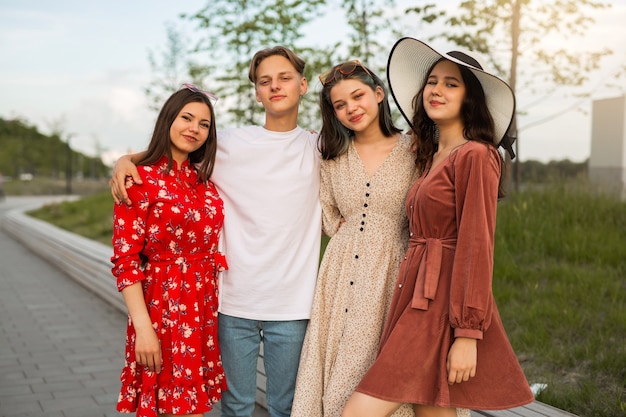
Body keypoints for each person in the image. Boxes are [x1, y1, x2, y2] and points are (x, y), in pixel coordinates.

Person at [110, 46, 321, 417]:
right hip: (227, 302)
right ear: (255, 91)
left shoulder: (321, 147)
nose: (275, 87)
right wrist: (125, 161)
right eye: (265, 81)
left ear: (302, 85)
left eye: (284, 78)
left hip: (287, 303)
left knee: (285, 407)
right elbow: (164, 154)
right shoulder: (228, 144)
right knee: (234, 405)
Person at [341, 37, 535, 417]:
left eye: (451, 83)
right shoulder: (431, 156)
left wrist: (467, 333)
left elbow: (477, 246)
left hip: (440, 300)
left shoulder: (477, 155)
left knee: (359, 412)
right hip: (415, 291)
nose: (437, 90)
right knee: (430, 409)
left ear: (470, 98)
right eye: (432, 81)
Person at [290, 60, 417, 417]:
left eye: (358, 96)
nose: (351, 109)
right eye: (339, 105)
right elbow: (330, 215)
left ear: (378, 95)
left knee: (389, 370)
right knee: (342, 374)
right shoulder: (332, 157)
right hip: (342, 272)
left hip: (395, 269)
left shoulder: (415, 151)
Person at [111, 83, 227, 416]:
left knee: (194, 409)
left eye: (204, 124)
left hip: (202, 312)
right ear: (168, 119)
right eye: (187, 118)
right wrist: (143, 329)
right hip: (161, 312)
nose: (194, 128)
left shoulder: (204, 181)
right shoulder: (138, 180)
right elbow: (125, 261)